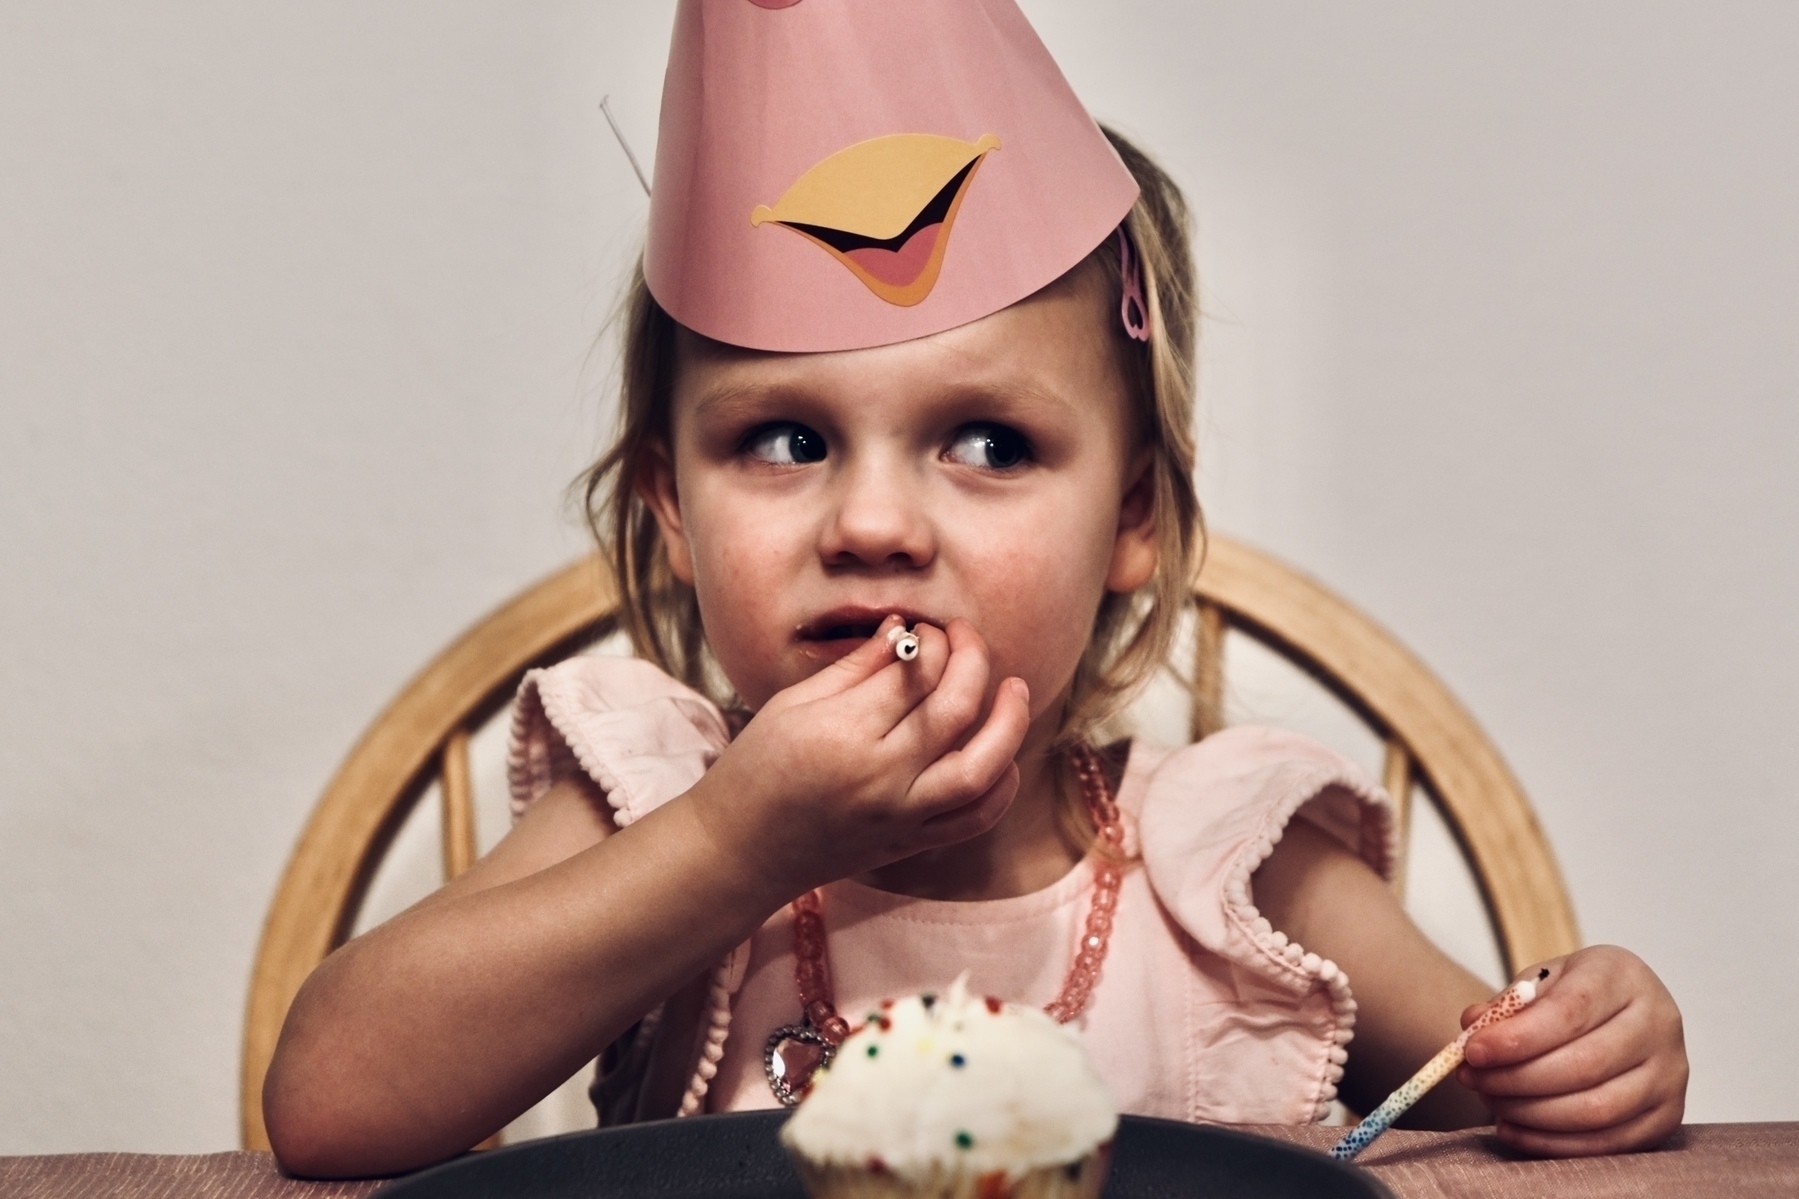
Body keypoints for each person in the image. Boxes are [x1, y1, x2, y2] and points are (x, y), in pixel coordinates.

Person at [263, 0, 1687, 1178]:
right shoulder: (654, 802)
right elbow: (331, 1109)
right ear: (673, 514)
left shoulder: (1228, 869)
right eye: (784, 439)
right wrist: (736, 844)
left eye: (990, 443)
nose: (873, 521)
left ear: (1131, 518)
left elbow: (1491, 1082)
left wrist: (1584, 1049)